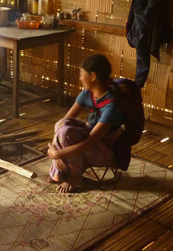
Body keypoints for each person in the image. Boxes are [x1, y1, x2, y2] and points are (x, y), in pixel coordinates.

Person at [47, 54, 124, 193]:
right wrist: (54, 147)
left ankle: (75, 176)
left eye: (82, 74)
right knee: (61, 124)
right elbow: (64, 121)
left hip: (105, 151)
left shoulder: (111, 107)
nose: (80, 78)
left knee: (66, 134)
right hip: (90, 143)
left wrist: (58, 154)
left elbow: (88, 143)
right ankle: (60, 168)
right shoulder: (87, 94)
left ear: (93, 76)